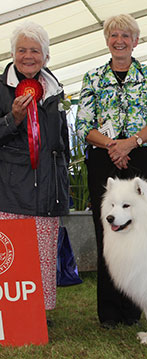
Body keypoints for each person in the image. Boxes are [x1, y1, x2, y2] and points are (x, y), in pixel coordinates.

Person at [75, 14, 147, 328]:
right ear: (107, 40)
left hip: (141, 158)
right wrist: (114, 145)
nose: (119, 41)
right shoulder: (92, 78)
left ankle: (133, 310)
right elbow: (83, 125)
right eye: (114, 35)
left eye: (126, 36)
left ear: (136, 41)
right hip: (103, 159)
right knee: (109, 236)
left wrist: (130, 143)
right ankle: (110, 313)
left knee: (140, 236)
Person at [0, 22, 70, 315]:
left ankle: (39, 314)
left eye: (35, 50)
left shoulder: (55, 90)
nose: (28, 56)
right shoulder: (1, 89)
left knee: (43, 253)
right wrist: (12, 118)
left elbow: (62, 141)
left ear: (46, 56)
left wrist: (62, 177)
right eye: (21, 50)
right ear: (12, 53)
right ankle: (10, 312)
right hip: (11, 186)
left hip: (48, 185)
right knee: (10, 255)